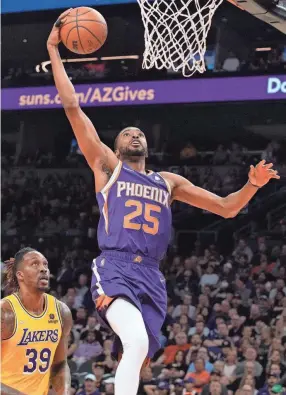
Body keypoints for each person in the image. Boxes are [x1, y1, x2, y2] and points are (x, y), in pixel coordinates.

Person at [46, 10, 280, 395]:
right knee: (135, 342)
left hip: (152, 276)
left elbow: (227, 208)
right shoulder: (108, 167)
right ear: (118, 147)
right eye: (127, 133)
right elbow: (73, 108)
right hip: (115, 267)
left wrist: (252, 185)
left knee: (140, 355)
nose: (135, 135)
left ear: (147, 145)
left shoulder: (168, 182)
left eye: (139, 133)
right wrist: (55, 50)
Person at [0, 247, 72, 395]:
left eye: (45, 264)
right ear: (20, 275)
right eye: (35, 264)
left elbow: (59, 365)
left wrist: (63, 392)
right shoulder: (5, 313)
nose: (43, 269)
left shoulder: (61, 312)